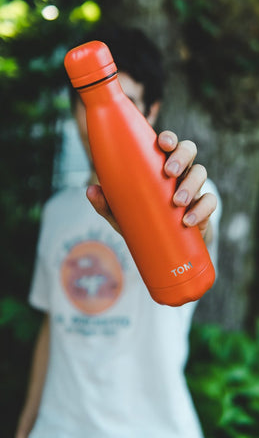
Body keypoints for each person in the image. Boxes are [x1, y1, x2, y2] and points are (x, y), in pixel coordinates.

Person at [16, 26, 222, 438]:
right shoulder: (57, 212)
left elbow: (203, 231)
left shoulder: (184, 192)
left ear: (151, 111)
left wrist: (193, 223)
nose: (96, 118)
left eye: (125, 101)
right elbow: (54, 325)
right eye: (84, 103)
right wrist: (26, 426)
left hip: (153, 428)